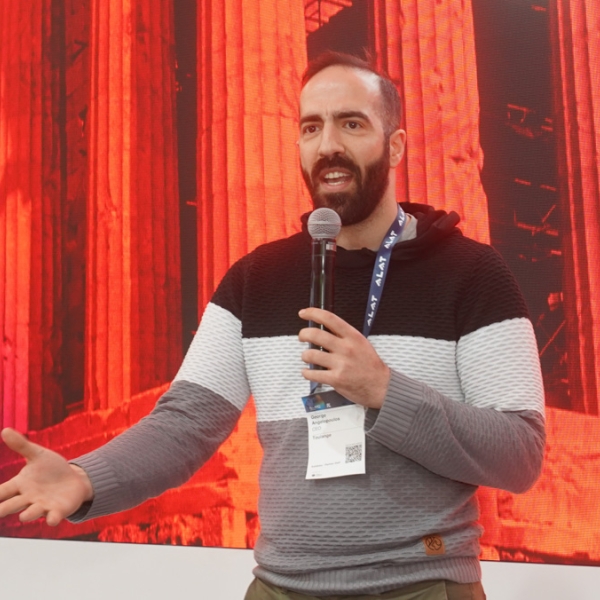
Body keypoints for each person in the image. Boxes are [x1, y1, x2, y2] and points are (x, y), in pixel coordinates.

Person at [0, 52, 545, 599]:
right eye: (311, 127)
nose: (328, 145)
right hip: (279, 587)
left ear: (396, 145)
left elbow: (520, 454)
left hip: (422, 585)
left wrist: (385, 391)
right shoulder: (255, 277)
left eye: (351, 123)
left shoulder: (474, 273)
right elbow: (184, 424)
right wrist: (86, 478)